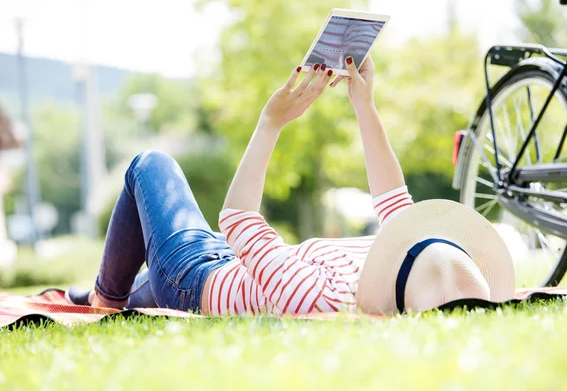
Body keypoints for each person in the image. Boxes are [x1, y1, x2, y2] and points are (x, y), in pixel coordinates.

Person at [67, 56, 516, 315]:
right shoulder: (399, 267)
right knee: (148, 270)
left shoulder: (317, 298)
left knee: (150, 164)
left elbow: (238, 220)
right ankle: (116, 290)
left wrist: (271, 121)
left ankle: (107, 297)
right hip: (245, 263)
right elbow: (392, 199)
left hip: (198, 277)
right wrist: (364, 102)